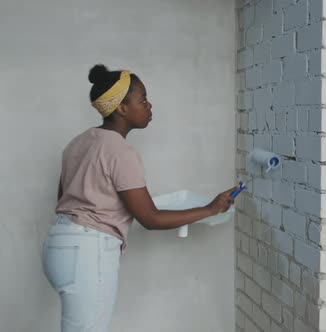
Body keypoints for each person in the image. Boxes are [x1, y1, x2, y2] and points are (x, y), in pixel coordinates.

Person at [41, 64, 236, 332]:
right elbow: (151, 219)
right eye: (142, 100)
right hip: (89, 253)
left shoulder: (78, 142)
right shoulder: (120, 151)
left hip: (58, 248)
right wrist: (211, 209)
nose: (149, 105)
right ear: (121, 108)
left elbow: (69, 199)